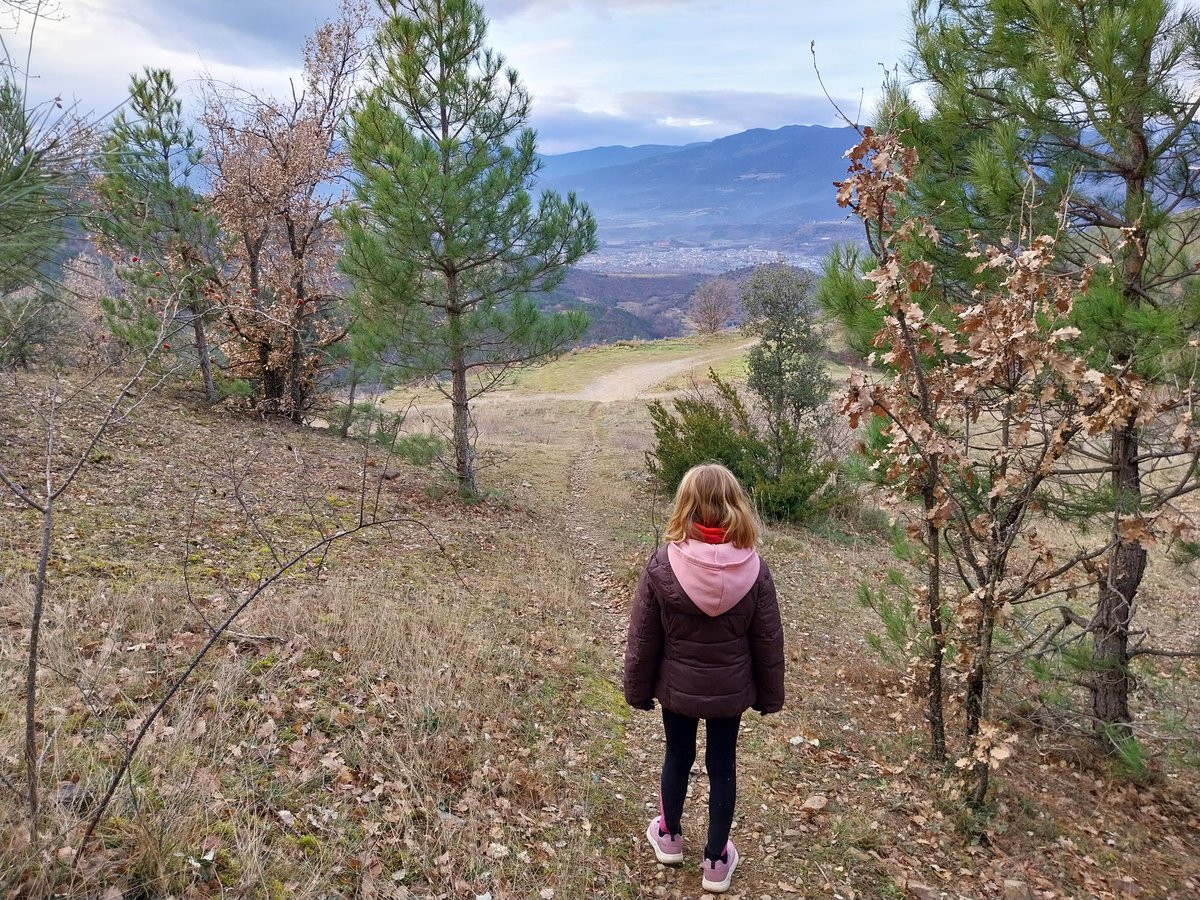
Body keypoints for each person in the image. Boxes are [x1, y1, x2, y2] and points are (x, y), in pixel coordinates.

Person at [623, 463, 785, 894]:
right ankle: (715, 861)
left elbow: (643, 636)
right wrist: (769, 696)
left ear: (686, 504)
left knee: (677, 756)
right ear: (734, 505)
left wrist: (637, 690)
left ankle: (669, 836)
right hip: (729, 693)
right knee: (722, 765)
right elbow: (768, 639)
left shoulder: (663, 563)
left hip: (677, 690)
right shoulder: (755, 568)